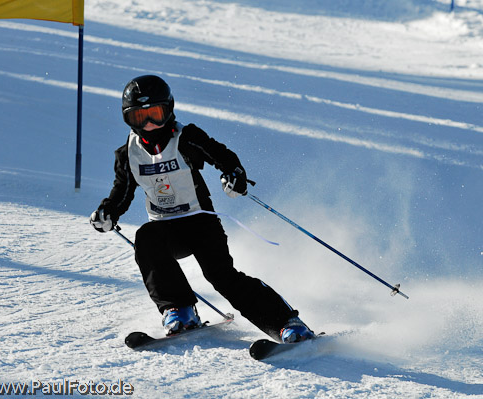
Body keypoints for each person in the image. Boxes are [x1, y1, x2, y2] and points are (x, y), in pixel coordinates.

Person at [90, 75, 315, 343]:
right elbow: (122, 191)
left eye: (156, 115)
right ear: (128, 119)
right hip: (165, 229)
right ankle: (180, 310)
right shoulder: (128, 153)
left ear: (169, 110)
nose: (149, 125)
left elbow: (223, 156)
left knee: (221, 277)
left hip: (200, 223)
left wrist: (234, 175)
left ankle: (285, 323)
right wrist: (108, 212)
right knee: (146, 238)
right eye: (140, 118)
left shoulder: (187, 138)